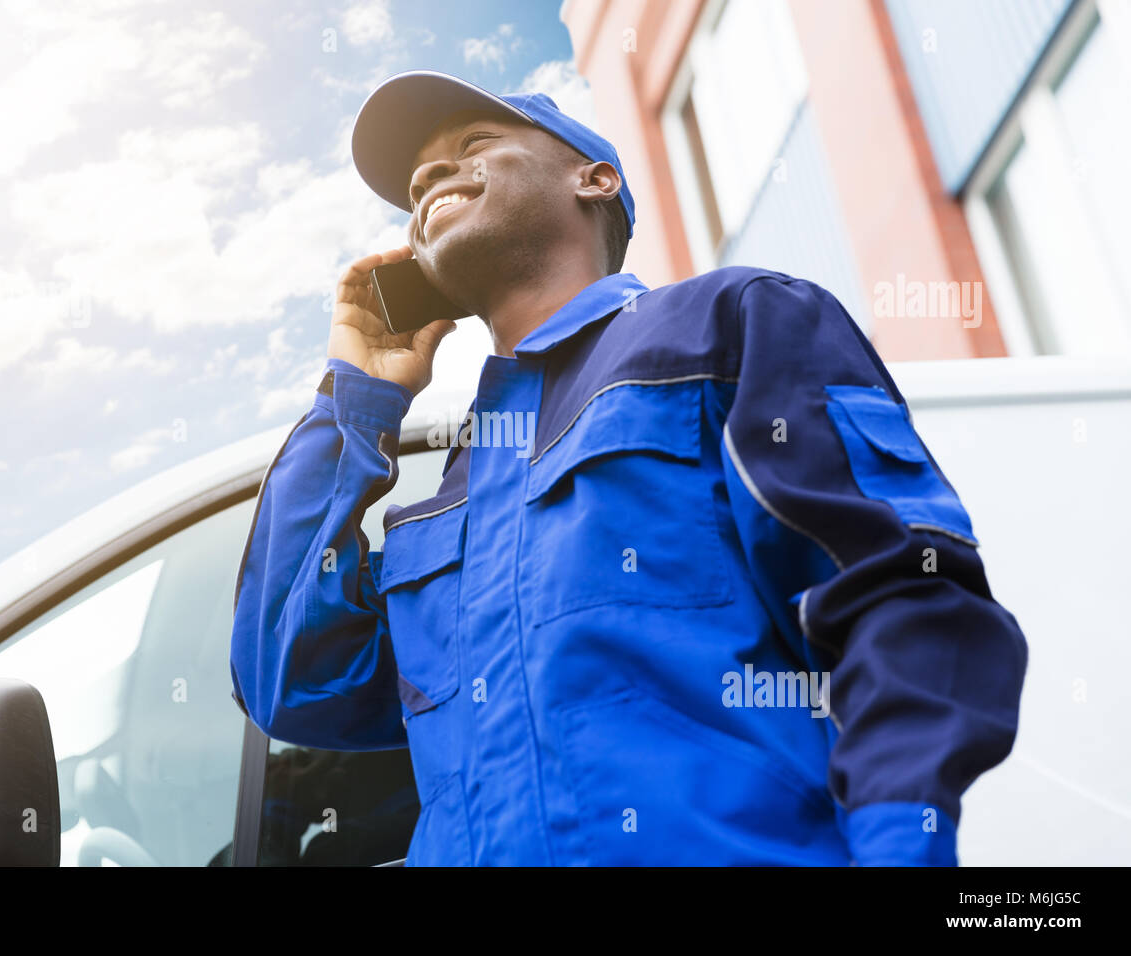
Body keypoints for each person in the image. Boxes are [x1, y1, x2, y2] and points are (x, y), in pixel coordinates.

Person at [229, 69, 1028, 866]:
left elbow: (904, 607)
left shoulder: (731, 323)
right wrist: (355, 399)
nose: (426, 177)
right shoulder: (456, 486)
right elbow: (291, 676)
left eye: (471, 145)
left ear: (595, 177)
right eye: (416, 181)